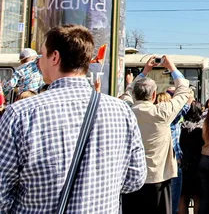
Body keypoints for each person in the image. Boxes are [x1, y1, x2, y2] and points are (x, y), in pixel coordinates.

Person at [0, 25, 146, 213]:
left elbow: (2, 193)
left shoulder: (20, 114)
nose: (38, 62)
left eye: (41, 55)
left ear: (55, 57)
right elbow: (135, 178)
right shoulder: (122, 111)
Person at [122, 55, 192, 214]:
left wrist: (145, 71)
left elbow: (128, 91)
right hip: (158, 178)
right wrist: (172, 67)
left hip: (131, 178)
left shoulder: (127, 109)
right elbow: (183, 91)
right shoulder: (162, 112)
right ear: (154, 96)